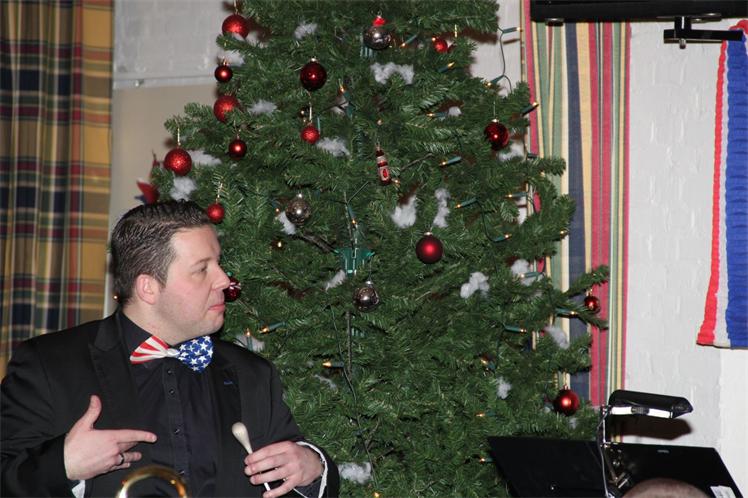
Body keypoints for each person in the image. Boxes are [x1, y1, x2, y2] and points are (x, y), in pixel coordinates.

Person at [1, 200, 339, 498]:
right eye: (202, 269)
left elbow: (290, 473)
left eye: (218, 263)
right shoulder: (48, 364)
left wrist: (313, 467)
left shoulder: (252, 373)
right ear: (148, 288)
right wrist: (63, 465)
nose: (224, 280)